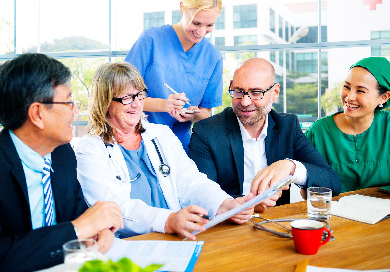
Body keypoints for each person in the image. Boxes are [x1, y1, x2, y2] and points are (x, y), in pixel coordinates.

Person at [76, 62, 255, 241]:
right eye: (126, 98)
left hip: (175, 237)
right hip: (127, 244)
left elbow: (191, 182)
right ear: (104, 101)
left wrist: (224, 204)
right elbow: (113, 209)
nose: (137, 104)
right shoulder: (89, 149)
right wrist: (168, 221)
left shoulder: (161, 135)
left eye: (140, 95)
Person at [0, 53, 123, 272]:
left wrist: (98, 229)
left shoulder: (62, 154)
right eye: (69, 101)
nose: (76, 111)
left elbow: (78, 213)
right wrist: (79, 228)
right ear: (37, 113)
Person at [188, 58, 342, 210]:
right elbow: (201, 194)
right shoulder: (206, 131)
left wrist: (291, 167)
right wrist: (250, 204)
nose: (245, 102)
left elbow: (332, 183)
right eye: (239, 91)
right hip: (227, 227)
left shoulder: (287, 127)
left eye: (256, 93)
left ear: (275, 93)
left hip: (276, 225)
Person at [125, 0, 224, 152]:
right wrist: (165, 105)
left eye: (209, 25)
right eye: (196, 23)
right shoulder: (151, 40)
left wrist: (192, 113)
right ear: (182, 8)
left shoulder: (213, 57)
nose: (201, 32)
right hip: (138, 143)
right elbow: (122, 97)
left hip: (178, 149)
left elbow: (205, 113)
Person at [306, 57, 390, 192]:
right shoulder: (318, 132)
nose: (349, 97)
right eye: (346, 87)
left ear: (384, 97)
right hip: (334, 212)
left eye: (361, 91)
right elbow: (307, 191)